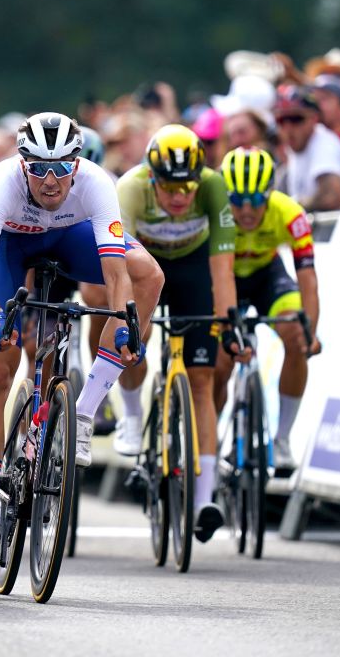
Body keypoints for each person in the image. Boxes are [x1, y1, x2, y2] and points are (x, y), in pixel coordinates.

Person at [0, 113, 163, 562]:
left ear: (76, 163)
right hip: (10, 247)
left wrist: (127, 322)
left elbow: (117, 273)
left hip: (69, 238)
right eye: (39, 168)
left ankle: (84, 413)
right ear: (22, 163)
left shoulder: (95, 182)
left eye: (61, 167)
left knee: (148, 274)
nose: (50, 180)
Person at [114, 124, 246, 544]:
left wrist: (227, 325)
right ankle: (133, 418)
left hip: (192, 271)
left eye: (186, 187)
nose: (178, 196)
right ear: (153, 176)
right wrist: (126, 325)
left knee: (203, 380)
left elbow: (222, 269)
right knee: (131, 349)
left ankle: (205, 498)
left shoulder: (213, 186)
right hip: (143, 267)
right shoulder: (130, 188)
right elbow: (117, 266)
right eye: (169, 186)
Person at [216, 147, 321, 470]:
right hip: (225, 275)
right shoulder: (214, 213)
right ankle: (204, 443)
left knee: (295, 336)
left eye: (257, 201)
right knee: (220, 363)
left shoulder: (290, 213)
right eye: (238, 200)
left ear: (270, 194)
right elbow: (215, 275)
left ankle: (283, 440)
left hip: (267, 277)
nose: (247, 210)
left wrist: (310, 333)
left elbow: (308, 279)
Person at [273, 85, 340, 214]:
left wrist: (288, 208)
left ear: (314, 119)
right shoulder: (293, 150)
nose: (288, 128)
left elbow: (331, 197)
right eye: (281, 120)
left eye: (296, 119)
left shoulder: (324, 142)